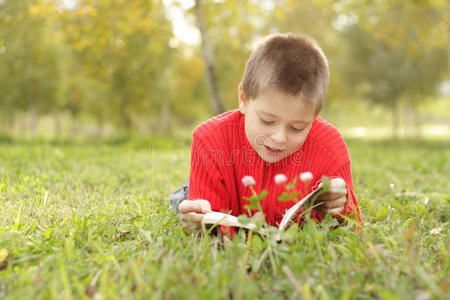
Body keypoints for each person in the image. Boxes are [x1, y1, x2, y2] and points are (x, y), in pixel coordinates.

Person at [171, 33, 361, 232]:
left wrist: (340, 205)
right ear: (244, 99)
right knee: (184, 200)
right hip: (220, 177)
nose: (279, 138)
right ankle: (183, 193)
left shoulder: (331, 147)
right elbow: (210, 227)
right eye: (267, 121)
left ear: (314, 116)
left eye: (297, 127)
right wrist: (198, 219)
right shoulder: (209, 139)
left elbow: (352, 226)